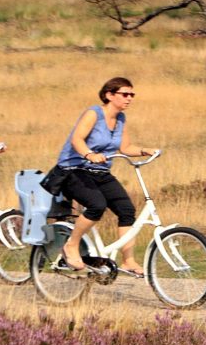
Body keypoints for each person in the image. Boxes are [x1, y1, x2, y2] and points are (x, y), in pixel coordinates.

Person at [44, 76, 157, 276]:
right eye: (124, 94)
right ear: (109, 95)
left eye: (132, 94)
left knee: (126, 209)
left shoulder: (121, 118)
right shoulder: (93, 114)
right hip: (73, 170)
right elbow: (76, 139)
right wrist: (89, 154)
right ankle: (72, 245)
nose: (129, 98)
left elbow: (125, 147)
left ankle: (128, 260)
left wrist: (145, 150)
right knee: (97, 205)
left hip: (100, 172)